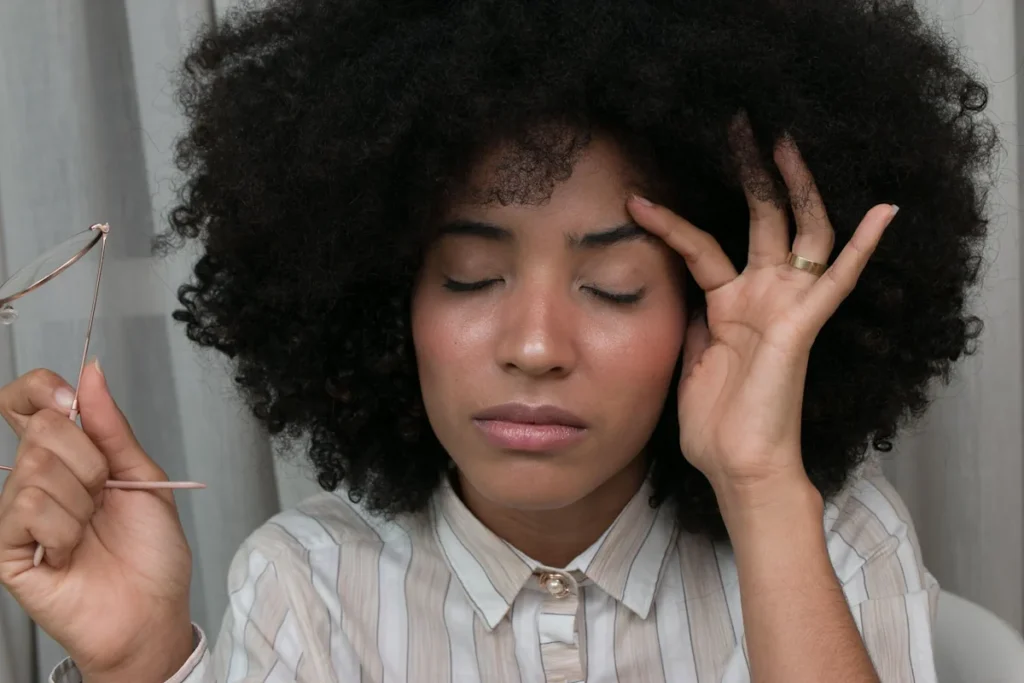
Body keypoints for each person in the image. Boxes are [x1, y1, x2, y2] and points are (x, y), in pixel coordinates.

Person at [0, 0, 995, 681]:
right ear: (387, 301)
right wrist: (139, 663)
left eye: (611, 286)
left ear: (702, 308)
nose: (532, 344)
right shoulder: (307, 581)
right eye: (471, 276)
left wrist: (761, 488)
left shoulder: (829, 540)